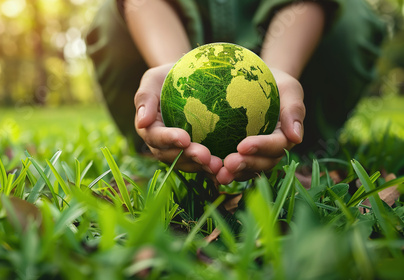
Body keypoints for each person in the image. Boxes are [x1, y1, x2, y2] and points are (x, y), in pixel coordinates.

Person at [85, 0, 385, 185]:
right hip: (164, 34)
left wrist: (277, 75)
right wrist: (173, 70)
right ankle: (157, 144)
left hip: (297, 49)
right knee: (109, 18)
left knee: (351, 14)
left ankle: (304, 144)